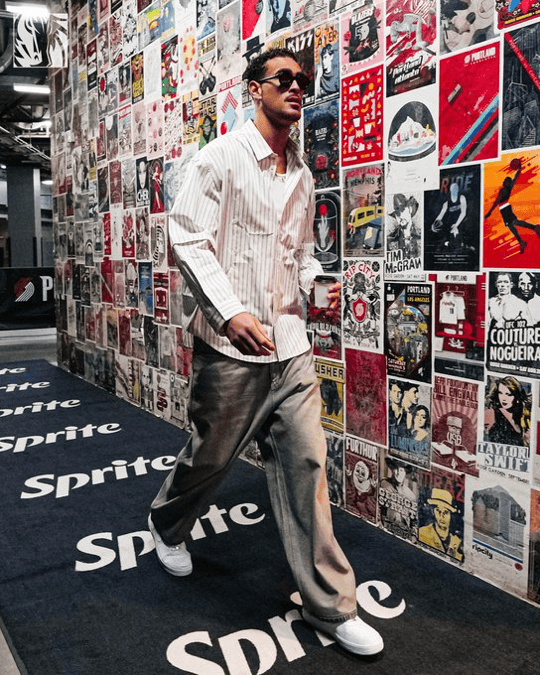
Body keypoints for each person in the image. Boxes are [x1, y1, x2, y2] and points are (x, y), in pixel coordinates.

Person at [148, 47, 384, 657]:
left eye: (304, 79)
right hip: (232, 350)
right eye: (285, 78)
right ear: (255, 88)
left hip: (292, 347)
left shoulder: (302, 174)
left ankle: (330, 605)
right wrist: (230, 312)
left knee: (307, 466)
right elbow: (188, 238)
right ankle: (166, 523)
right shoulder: (220, 159)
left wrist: (315, 282)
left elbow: (299, 252)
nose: (298, 87)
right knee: (209, 458)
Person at [484, 162, 540, 254]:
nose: (504, 181)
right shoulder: (509, 188)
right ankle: (523, 240)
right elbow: (515, 177)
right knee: (511, 225)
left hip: (505, 209)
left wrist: (489, 212)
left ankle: (534, 228)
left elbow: (496, 202)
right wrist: (519, 169)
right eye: (504, 180)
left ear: (507, 183)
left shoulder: (503, 190)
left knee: (514, 223)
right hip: (505, 208)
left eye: (506, 180)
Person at [485, 375, 531, 447]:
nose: (503, 398)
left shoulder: (521, 416)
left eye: (508, 394)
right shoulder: (492, 413)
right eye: (500, 393)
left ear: (516, 396)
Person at [419, 488, 462, 561]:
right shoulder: (422, 533)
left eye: (445, 512)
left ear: (450, 515)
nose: (441, 516)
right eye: (438, 511)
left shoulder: (456, 542)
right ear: (433, 512)